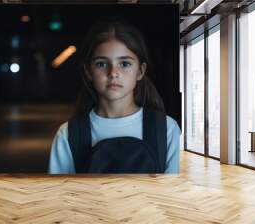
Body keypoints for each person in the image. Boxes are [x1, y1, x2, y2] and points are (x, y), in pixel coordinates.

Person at [48, 21, 181, 174]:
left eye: (124, 64)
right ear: (88, 72)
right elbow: (60, 195)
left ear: (140, 71)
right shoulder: (68, 134)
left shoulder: (166, 129)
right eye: (101, 64)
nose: (113, 73)